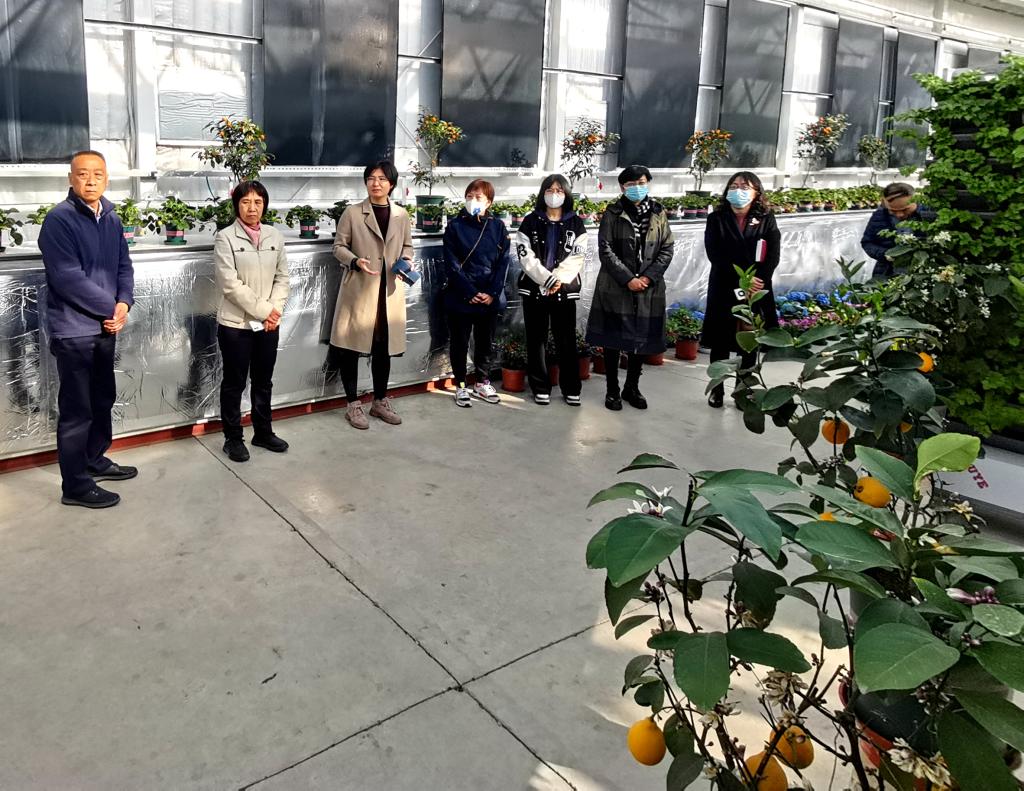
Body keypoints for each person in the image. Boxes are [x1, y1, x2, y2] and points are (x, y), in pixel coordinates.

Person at [38, 150, 136, 508]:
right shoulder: (59, 220)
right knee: (77, 409)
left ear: (106, 178)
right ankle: (75, 485)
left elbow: (124, 265)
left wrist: (124, 303)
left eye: (97, 174)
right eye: (82, 174)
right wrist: (112, 308)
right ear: (71, 179)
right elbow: (68, 279)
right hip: (74, 331)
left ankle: (94, 459)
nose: (90, 180)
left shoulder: (111, 218)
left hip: (105, 328)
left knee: (102, 399)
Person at [331, 160, 414, 429]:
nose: (375, 183)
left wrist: (406, 261)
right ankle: (352, 404)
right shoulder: (353, 213)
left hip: (388, 292)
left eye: (382, 179)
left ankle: (379, 401)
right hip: (359, 289)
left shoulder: (401, 214)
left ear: (392, 184)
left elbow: (408, 246)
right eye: (371, 178)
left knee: (383, 347)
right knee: (351, 346)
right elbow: (338, 247)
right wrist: (355, 261)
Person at [213, 180, 291, 462]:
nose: (252, 208)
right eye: (246, 202)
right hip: (236, 325)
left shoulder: (274, 236)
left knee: (263, 381)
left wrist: (274, 311)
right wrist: (265, 311)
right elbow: (230, 285)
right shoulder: (225, 238)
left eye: (258, 202)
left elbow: (282, 277)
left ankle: (263, 432)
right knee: (234, 383)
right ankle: (233, 438)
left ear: (264, 206)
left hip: (268, 324)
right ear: (237, 205)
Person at [586, 164, 674, 411]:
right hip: (616, 285)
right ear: (622, 187)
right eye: (631, 184)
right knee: (613, 339)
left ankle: (632, 387)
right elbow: (605, 249)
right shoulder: (613, 212)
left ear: (648, 183)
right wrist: (628, 279)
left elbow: (667, 248)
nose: (637, 188)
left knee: (640, 337)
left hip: (648, 286)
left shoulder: (658, 212)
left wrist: (647, 277)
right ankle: (612, 389)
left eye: (641, 183)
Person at [702, 171, 781, 409]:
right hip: (725, 284)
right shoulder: (717, 218)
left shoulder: (765, 218)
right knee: (721, 341)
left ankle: (743, 390)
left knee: (749, 339)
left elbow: (773, 253)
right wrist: (741, 280)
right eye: (734, 186)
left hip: (756, 287)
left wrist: (759, 280)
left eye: (745, 187)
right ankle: (717, 389)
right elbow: (714, 253)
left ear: (756, 192)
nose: (738, 191)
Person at [515, 173, 587, 406]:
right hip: (534, 289)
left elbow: (577, 256)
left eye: (559, 190)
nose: (554, 194)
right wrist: (545, 279)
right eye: (550, 190)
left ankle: (571, 388)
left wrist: (558, 279)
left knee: (566, 339)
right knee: (536, 340)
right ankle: (540, 386)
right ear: (542, 193)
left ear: (566, 194)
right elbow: (525, 254)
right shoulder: (530, 221)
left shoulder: (576, 223)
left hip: (564, 290)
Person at [442, 179, 510, 408]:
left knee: (485, 342)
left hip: (488, 297)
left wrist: (492, 292)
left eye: (478, 197)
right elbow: (451, 263)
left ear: (489, 202)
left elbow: (503, 262)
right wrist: (469, 291)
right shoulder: (454, 226)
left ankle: (482, 381)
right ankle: (461, 385)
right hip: (461, 295)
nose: (473, 200)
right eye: (469, 196)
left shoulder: (498, 227)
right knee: (459, 343)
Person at [860, 182, 928, 279]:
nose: (899, 214)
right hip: (887, 274)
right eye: (893, 210)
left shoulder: (929, 215)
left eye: (905, 209)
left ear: (915, 200)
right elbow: (867, 242)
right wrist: (887, 254)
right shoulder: (880, 216)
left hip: (923, 274)